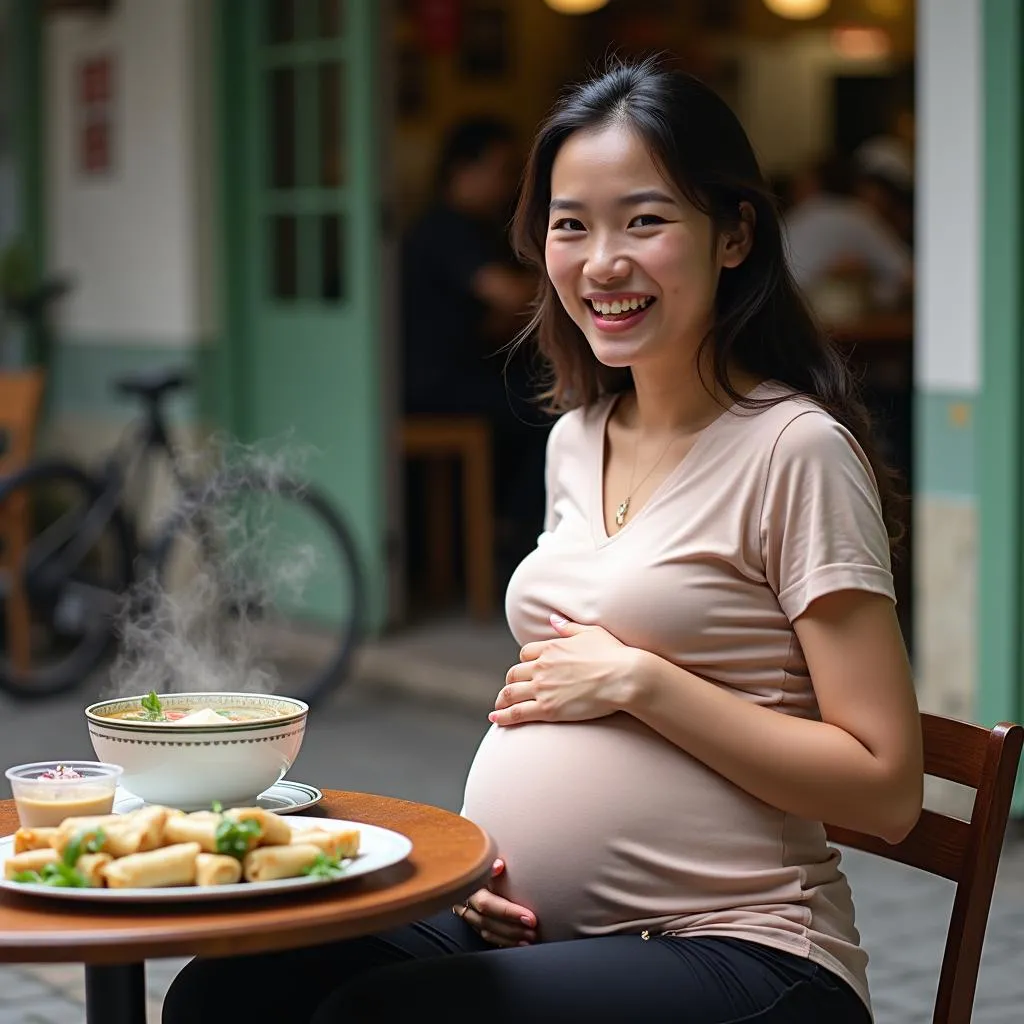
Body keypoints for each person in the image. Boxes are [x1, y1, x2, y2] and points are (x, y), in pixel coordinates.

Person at [163, 58, 923, 1023]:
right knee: (229, 990)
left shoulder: (795, 451)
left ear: (734, 235)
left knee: (387, 1017)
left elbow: (887, 789)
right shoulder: (577, 438)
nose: (602, 261)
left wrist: (642, 682)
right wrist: (472, 872)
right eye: (573, 225)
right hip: (530, 927)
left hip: (744, 947)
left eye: (644, 221)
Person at [400, 116, 549, 577]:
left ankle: (508, 529)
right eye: (502, 170)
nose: (509, 184)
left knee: (540, 395)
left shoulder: (473, 228)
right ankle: (514, 536)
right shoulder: (446, 228)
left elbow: (492, 320)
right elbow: (505, 293)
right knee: (554, 407)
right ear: (464, 169)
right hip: (433, 387)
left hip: (460, 377)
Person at [783, 154, 912, 313]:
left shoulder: (794, 220)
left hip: (791, 320)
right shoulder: (861, 217)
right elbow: (906, 274)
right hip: (856, 328)